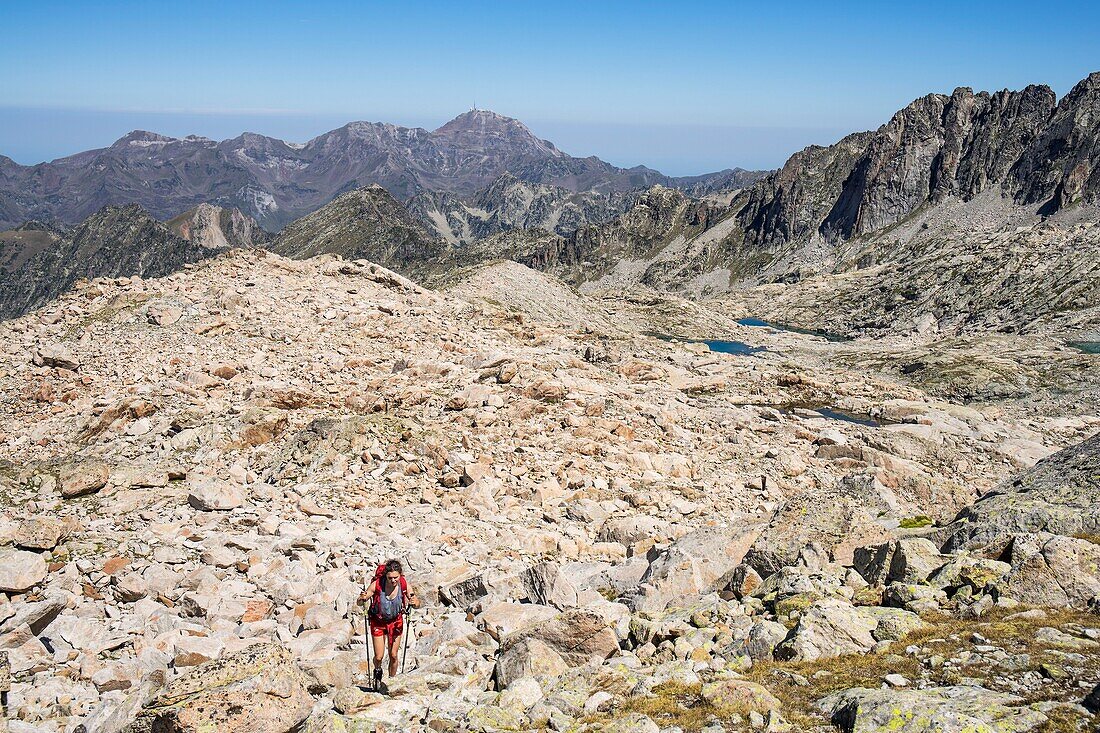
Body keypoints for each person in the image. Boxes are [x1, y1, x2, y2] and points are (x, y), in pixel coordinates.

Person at [360, 559, 420, 688]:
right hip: (378, 622)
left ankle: (392, 682)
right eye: (390, 578)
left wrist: (415, 602)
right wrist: (362, 598)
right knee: (379, 656)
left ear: (400, 575)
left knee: (393, 655)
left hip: (396, 621)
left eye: (395, 578)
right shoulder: (377, 584)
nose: (393, 581)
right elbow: (362, 600)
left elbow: (416, 603)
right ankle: (377, 672)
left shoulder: (403, 584)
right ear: (385, 576)